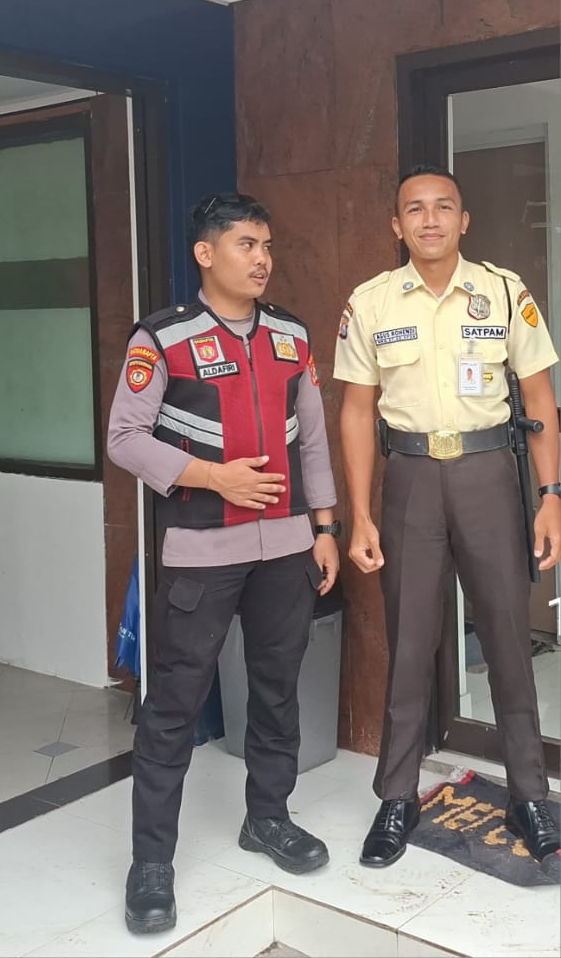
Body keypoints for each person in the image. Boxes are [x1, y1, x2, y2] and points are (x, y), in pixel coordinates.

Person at [107, 192, 340, 936]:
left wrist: (324, 526)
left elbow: (313, 440)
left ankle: (267, 818)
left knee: (277, 691)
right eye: (246, 244)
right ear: (205, 254)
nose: (262, 258)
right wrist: (216, 478)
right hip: (201, 553)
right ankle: (152, 864)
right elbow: (124, 438)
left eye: (266, 245)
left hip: (287, 550)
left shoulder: (291, 334)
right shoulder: (162, 338)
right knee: (173, 706)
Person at [334, 164, 561, 869]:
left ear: (464, 221)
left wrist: (553, 496)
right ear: (396, 226)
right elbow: (356, 412)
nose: (429, 220)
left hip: (489, 475)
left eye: (443, 208)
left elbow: (540, 400)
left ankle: (529, 794)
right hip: (409, 479)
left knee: (507, 636)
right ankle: (398, 796)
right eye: (415, 209)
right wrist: (360, 515)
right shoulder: (370, 302)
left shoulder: (504, 292)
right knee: (408, 642)